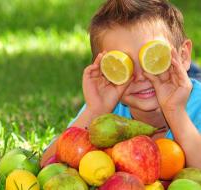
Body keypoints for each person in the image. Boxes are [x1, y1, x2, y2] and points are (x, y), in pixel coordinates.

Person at [40, 0, 201, 168]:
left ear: (183, 56)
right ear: (106, 71)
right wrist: (94, 110)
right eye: (126, 64)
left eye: (152, 60)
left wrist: (175, 111)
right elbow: (48, 163)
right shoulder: (106, 110)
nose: (140, 77)